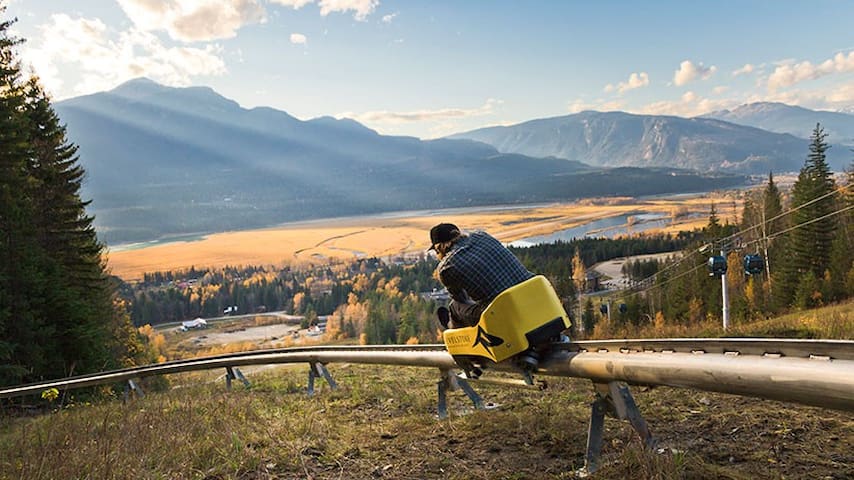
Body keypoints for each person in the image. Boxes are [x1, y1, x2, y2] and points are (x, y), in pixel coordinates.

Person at [428, 223, 534, 329]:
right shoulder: (482, 235)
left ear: (440, 247)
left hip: (503, 312)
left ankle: (452, 332)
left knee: (455, 307)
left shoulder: (446, 267)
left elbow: (461, 299)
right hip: (532, 293)